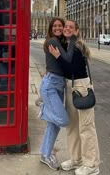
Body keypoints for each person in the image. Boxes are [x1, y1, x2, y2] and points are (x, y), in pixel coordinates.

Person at [49, 20, 100, 175]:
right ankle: (76, 159)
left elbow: (70, 68)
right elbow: (66, 70)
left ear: (77, 31)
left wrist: (58, 57)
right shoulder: (69, 44)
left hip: (81, 87)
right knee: (72, 126)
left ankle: (91, 165)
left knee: (86, 127)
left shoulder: (77, 46)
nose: (67, 28)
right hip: (71, 85)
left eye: (71, 27)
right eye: (66, 27)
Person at [39, 17, 76, 170]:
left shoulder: (60, 43)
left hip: (58, 85)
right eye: (54, 26)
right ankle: (44, 108)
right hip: (50, 85)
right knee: (62, 120)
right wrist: (73, 38)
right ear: (51, 28)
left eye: (60, 25)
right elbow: (67, 59)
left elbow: (64, 63)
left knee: (53, 126)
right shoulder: (53, 42)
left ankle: (45, 154)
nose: (58, 28)